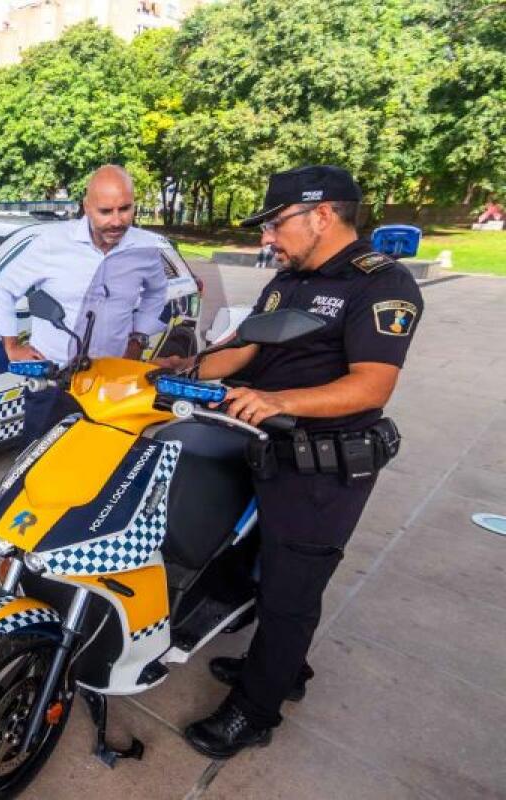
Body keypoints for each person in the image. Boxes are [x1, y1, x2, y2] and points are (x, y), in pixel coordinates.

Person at [180, 165, 424, 758]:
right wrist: (180, 372)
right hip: (265, 451)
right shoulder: (287, 280)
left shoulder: (381, 285)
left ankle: (256, 712)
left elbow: (371, 386)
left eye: (276, 224)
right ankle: (282, 670)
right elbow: (243, 351)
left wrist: (278, 400)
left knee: (291, 592)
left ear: (322, 215)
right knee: (261, 572)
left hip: (325, 468)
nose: (268, 238)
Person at [0, 165, 170, 444]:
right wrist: (12, 347)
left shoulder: (145, 248)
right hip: (55, 381)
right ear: (86, 206)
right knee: (40, 466)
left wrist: (137, 338)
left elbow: (157, 292)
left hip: (112, 382)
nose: (117, 221)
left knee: (102, 464)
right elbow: (3, 288)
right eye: (105, 211)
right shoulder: (51, 243)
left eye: (125, 209)